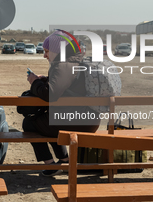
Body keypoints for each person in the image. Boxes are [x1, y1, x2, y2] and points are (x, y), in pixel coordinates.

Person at [22, 30, 100, 177]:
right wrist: (45, 80)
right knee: (48, 120)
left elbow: (49, 95)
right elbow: (69, 86)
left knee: (29, 123)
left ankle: (51, 164)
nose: (44, 55)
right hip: (87, 118)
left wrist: (35, 82)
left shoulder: (63, 65)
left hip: (77, 121)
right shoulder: (75, 61)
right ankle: (63, 160)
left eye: (46, 51)